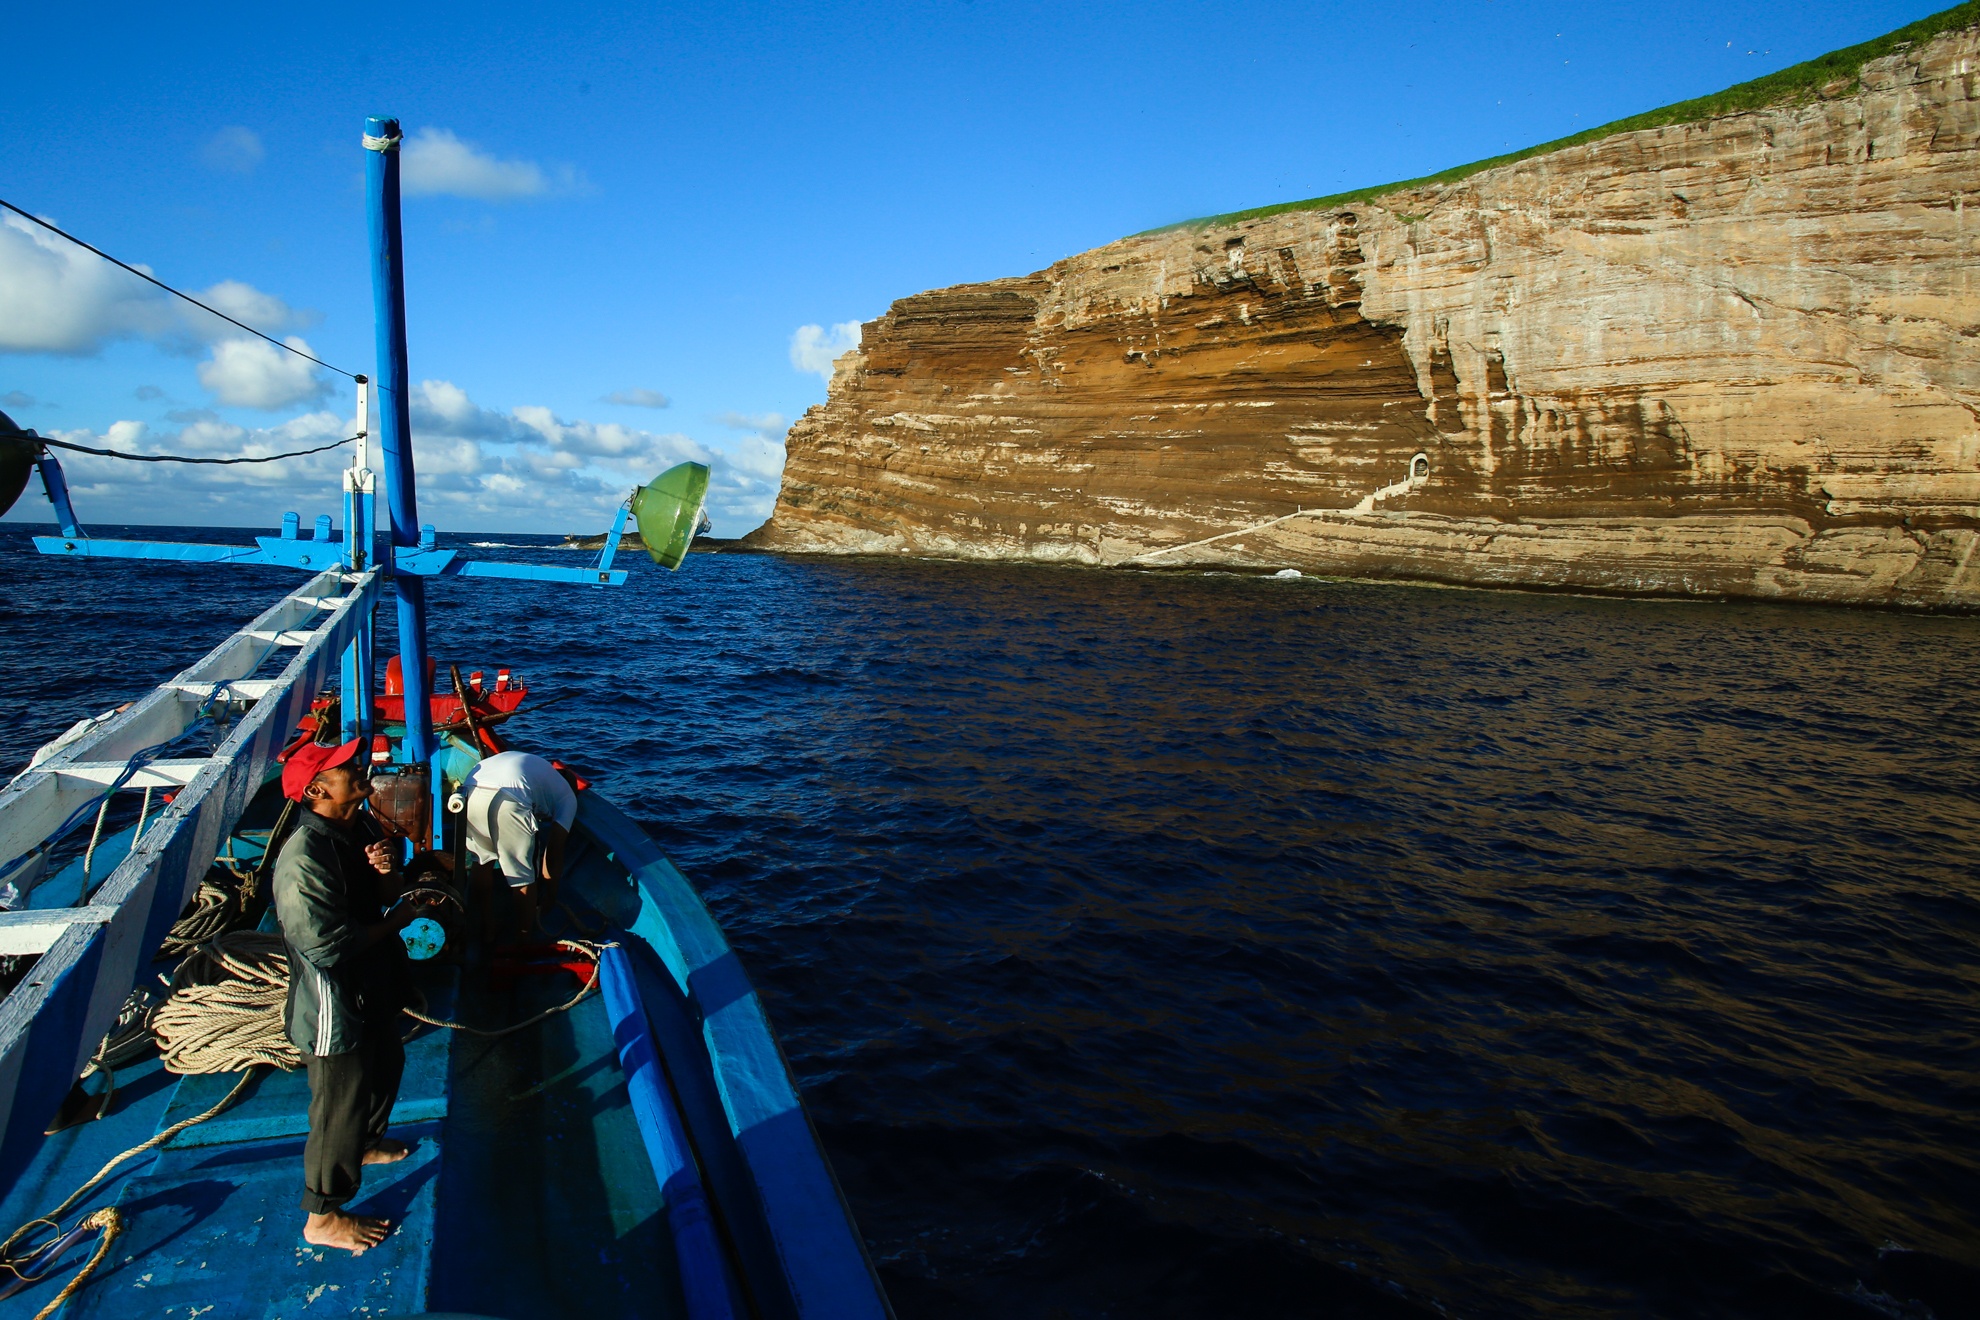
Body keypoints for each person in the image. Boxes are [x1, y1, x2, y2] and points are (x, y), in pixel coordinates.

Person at [272, 737, 437, 1256]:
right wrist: (396, 924)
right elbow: (327, 946)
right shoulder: (303, 859)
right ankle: (322, 1214)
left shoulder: (361, 825)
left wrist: (388, 872)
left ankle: (366, 1144)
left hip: (374, 986)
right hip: (333, 1003)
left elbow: (386, 892)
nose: (358, 768)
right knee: (337, 1105)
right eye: (344, 768)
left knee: (387, 1063)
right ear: (318, 789)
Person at [456, 750, 579, 940]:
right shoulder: (568, 798)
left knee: (481, 861)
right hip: (510, 798)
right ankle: (523, 937)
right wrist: (551, 897)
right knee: (521, 876)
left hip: (469, 790)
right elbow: (553, 853)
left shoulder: (541, 768)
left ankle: (483, 928)